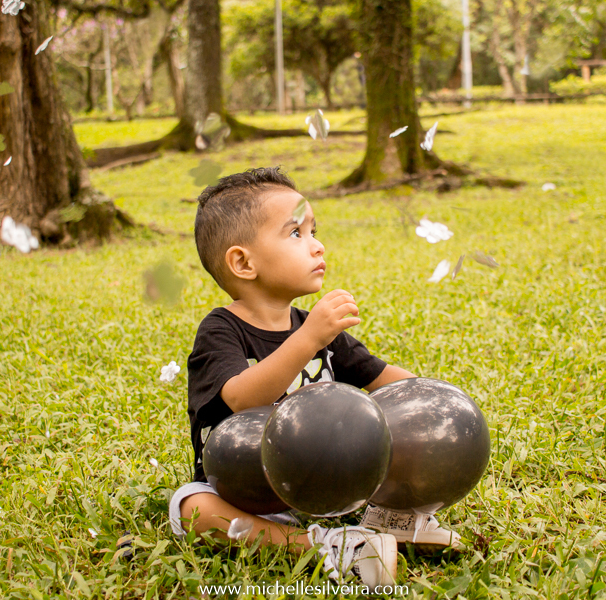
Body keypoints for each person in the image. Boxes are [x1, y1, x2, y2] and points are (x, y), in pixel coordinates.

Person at [168, 167, 461, 591]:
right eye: (296, 234)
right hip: (250, 492)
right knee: (191, 507)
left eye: (314, 230)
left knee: (393, 422)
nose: (317, 245)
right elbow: (240, 399)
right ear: (242, 262)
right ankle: (316, 545)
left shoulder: (314, 327)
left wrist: (435, 401)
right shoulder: (221, 330)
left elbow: (382, 379)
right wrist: (308, 339)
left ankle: (392, 518)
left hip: (332, 488)